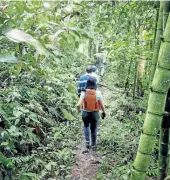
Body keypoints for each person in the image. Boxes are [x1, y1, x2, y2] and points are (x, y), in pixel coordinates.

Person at [77, 77, 106, 152]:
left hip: (85, 113)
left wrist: (79, 110)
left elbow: (78, 105)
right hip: (95, 113)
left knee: (86, 126)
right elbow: (102, 105)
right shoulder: (98, 93)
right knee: (94, 129)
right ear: (95, 84)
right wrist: (104, 112)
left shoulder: (84, 92)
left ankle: (87, 143)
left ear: (87, 84)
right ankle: (93, 145)